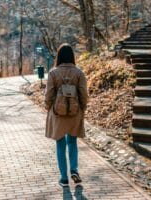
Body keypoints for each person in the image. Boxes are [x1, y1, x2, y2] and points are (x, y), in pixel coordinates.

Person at [44, 43, 88, 187]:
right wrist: (82, 109)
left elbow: (49, 94)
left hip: (58, 114)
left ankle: (63, 178)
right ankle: (74, 170)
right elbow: (84, 95)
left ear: (59, 56)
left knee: (60, 144)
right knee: (72, 142)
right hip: (75, 113)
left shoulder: (53, 73)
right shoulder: (79, 73)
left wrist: (48, 107)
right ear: (72, 57)